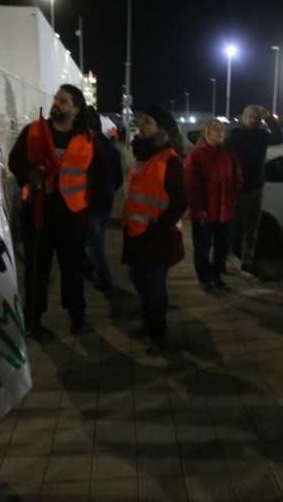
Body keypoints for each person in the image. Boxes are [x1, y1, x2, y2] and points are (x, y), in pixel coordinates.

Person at [9, 84, 99, 335]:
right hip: (37, 214)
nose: (56, 104)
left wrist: (91, 205)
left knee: (73, 269)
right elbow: (15, 162)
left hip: (72, 216)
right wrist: (28, 177)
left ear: (76, 109)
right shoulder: (34, 131)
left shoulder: (88, 138)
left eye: (63, 101)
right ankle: (33, 320)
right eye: (56, 99)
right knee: (37, 269)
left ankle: (76, 316)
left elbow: (103, 174)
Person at [123, 105, 187, 354]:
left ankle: (157, 332)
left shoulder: (170, 159)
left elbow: (180, 202)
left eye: (147, 121)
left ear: (160, 128)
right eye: (142, 120)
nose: (141, 124)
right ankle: (149, 321)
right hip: (137, 232)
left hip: (158, 236)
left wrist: (158, 228)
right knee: (138, 279)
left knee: (155, 284)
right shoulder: (143, 154)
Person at [185, 118, 242, 291]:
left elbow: (237, 177)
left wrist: (233, 197)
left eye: (222, 129)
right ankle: (204, 278)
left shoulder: (228, 153)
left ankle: (216, 275)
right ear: (207, 133)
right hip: (204, 211)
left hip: (224, 210)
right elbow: (191, 185)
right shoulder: (196, 155)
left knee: (223, 246)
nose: (221, 132)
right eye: (217, 129)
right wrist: (198, 208)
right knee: (202, 248)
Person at [227, 104, 283, 275]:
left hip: (255, 188)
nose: (253, 120)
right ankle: (223, 260)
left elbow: (280, 137)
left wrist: (269, 118)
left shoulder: (263, 135)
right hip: (236, 188)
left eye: (256, 118)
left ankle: (247, 260)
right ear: (244, 117)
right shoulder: (235, 135)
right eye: (250, 116)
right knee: (231, 228)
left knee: (252, 229)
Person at [85, 107, 124, 291]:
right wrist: (108, 191)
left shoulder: (86, 145)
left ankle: (104, 276)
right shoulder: (110, 147)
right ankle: (92, 269)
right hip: (105, 202)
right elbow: (119, 179)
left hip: (90, 202)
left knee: (92, 242)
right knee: (97, 239)